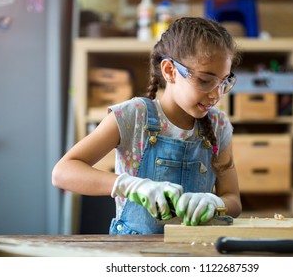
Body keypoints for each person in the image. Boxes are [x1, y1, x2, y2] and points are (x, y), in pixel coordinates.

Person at [52, 17, 242, 235]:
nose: (216, 94)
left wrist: (215, 202)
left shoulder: (218, 125)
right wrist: (131, 186)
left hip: (194, 251)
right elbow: (62, 173)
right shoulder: (132, 116)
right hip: (132, 253)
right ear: (170, 71)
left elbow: (233, 200)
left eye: (224, 81)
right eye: (205, 80)